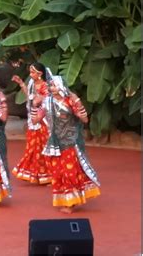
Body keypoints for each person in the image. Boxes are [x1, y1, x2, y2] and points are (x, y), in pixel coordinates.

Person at [32, 74, 100, 214]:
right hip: (54, 142)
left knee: (69, 171)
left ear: (62, 86)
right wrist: (34, 106)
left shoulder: (69, 102)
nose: (52, 88)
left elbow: (85, 119)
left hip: (69, 141)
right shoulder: (47, 102)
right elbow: (36, 120)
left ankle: (71, 202)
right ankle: (65, 199)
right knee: (57, 172)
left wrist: (77, 101)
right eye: (51, 85)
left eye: (55, 85)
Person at [10, 62, 51, 184]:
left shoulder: (46, 86)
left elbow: (47, 102)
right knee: (33, 147)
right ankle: (36, 174)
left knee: (44, 147)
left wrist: (40, 100)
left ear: (40, 73)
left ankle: (49, 174)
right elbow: (30, 96)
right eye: (30, 71)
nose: (30, 74)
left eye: (33, 72)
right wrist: (21, 83)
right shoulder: (33, 84)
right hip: (32, 120)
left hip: (43, 121)